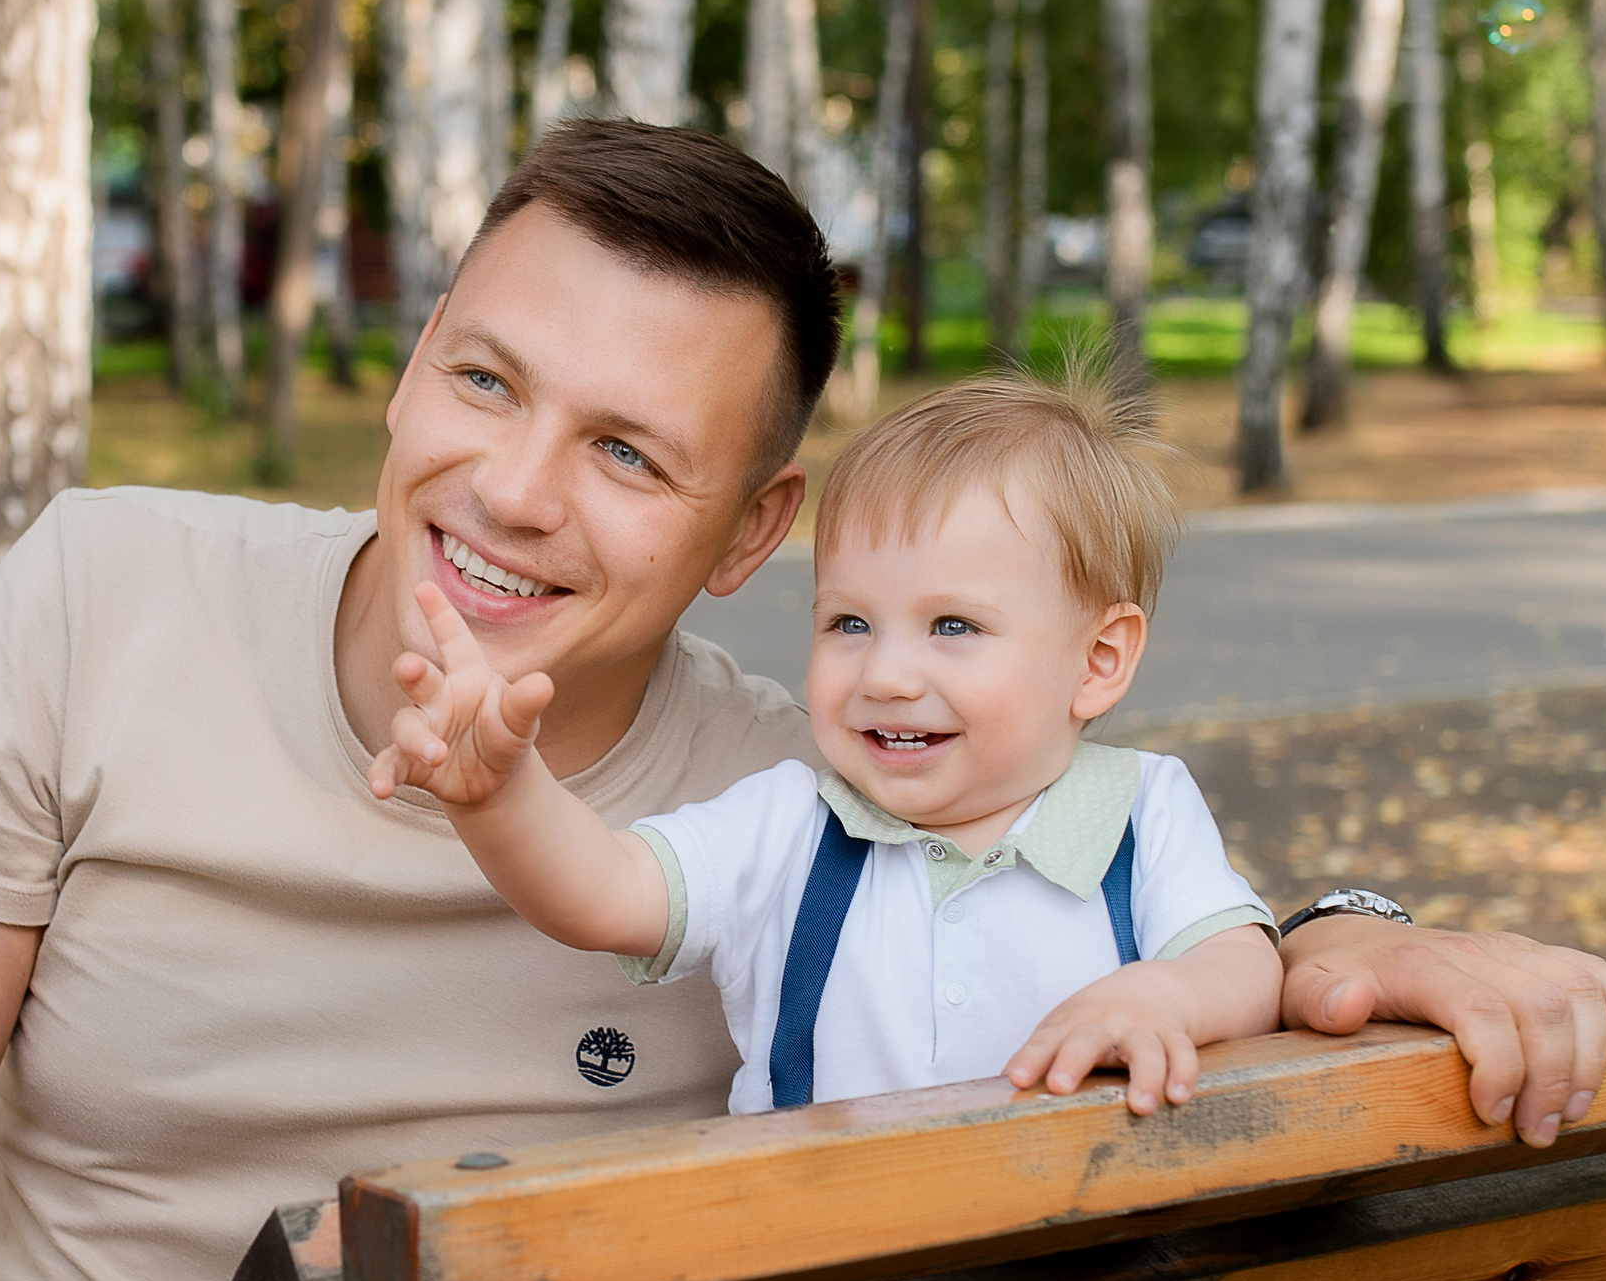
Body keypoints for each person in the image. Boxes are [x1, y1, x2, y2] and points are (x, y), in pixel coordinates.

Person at [0, 120, 1606, 1281]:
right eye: (484, 381)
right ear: (408, 368)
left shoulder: (808, 802)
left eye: (628, 452)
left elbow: (1125, 896)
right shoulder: (101, 596)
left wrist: (1355, 936)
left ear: (749, 532)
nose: (514, 488)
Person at [371, 367, 1281, 1118]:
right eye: (849, 622)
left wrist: (1163, 996)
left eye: (953, 626)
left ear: (1098, 659)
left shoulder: (1142, 812)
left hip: (1082, 1244)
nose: (886, 673)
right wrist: (501, 795)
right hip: (825, 1253)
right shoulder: (792, 825)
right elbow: (607, 891)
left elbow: (1243, 964)